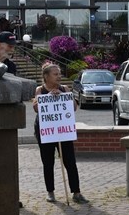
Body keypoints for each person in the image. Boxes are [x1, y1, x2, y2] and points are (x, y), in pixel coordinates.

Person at [32, 63, 89, 204]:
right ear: (46, 76)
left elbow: (74, 107)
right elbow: (35, 108)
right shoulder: (40, 90)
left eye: (59, 74)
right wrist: (49, 97)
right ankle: (50, 192)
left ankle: (76, 192)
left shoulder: (65, 88)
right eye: (55, 74)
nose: (59, 76)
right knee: (48, 162)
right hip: (46, 131)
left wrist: (64, 96)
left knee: (70, 161)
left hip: (63, 132)